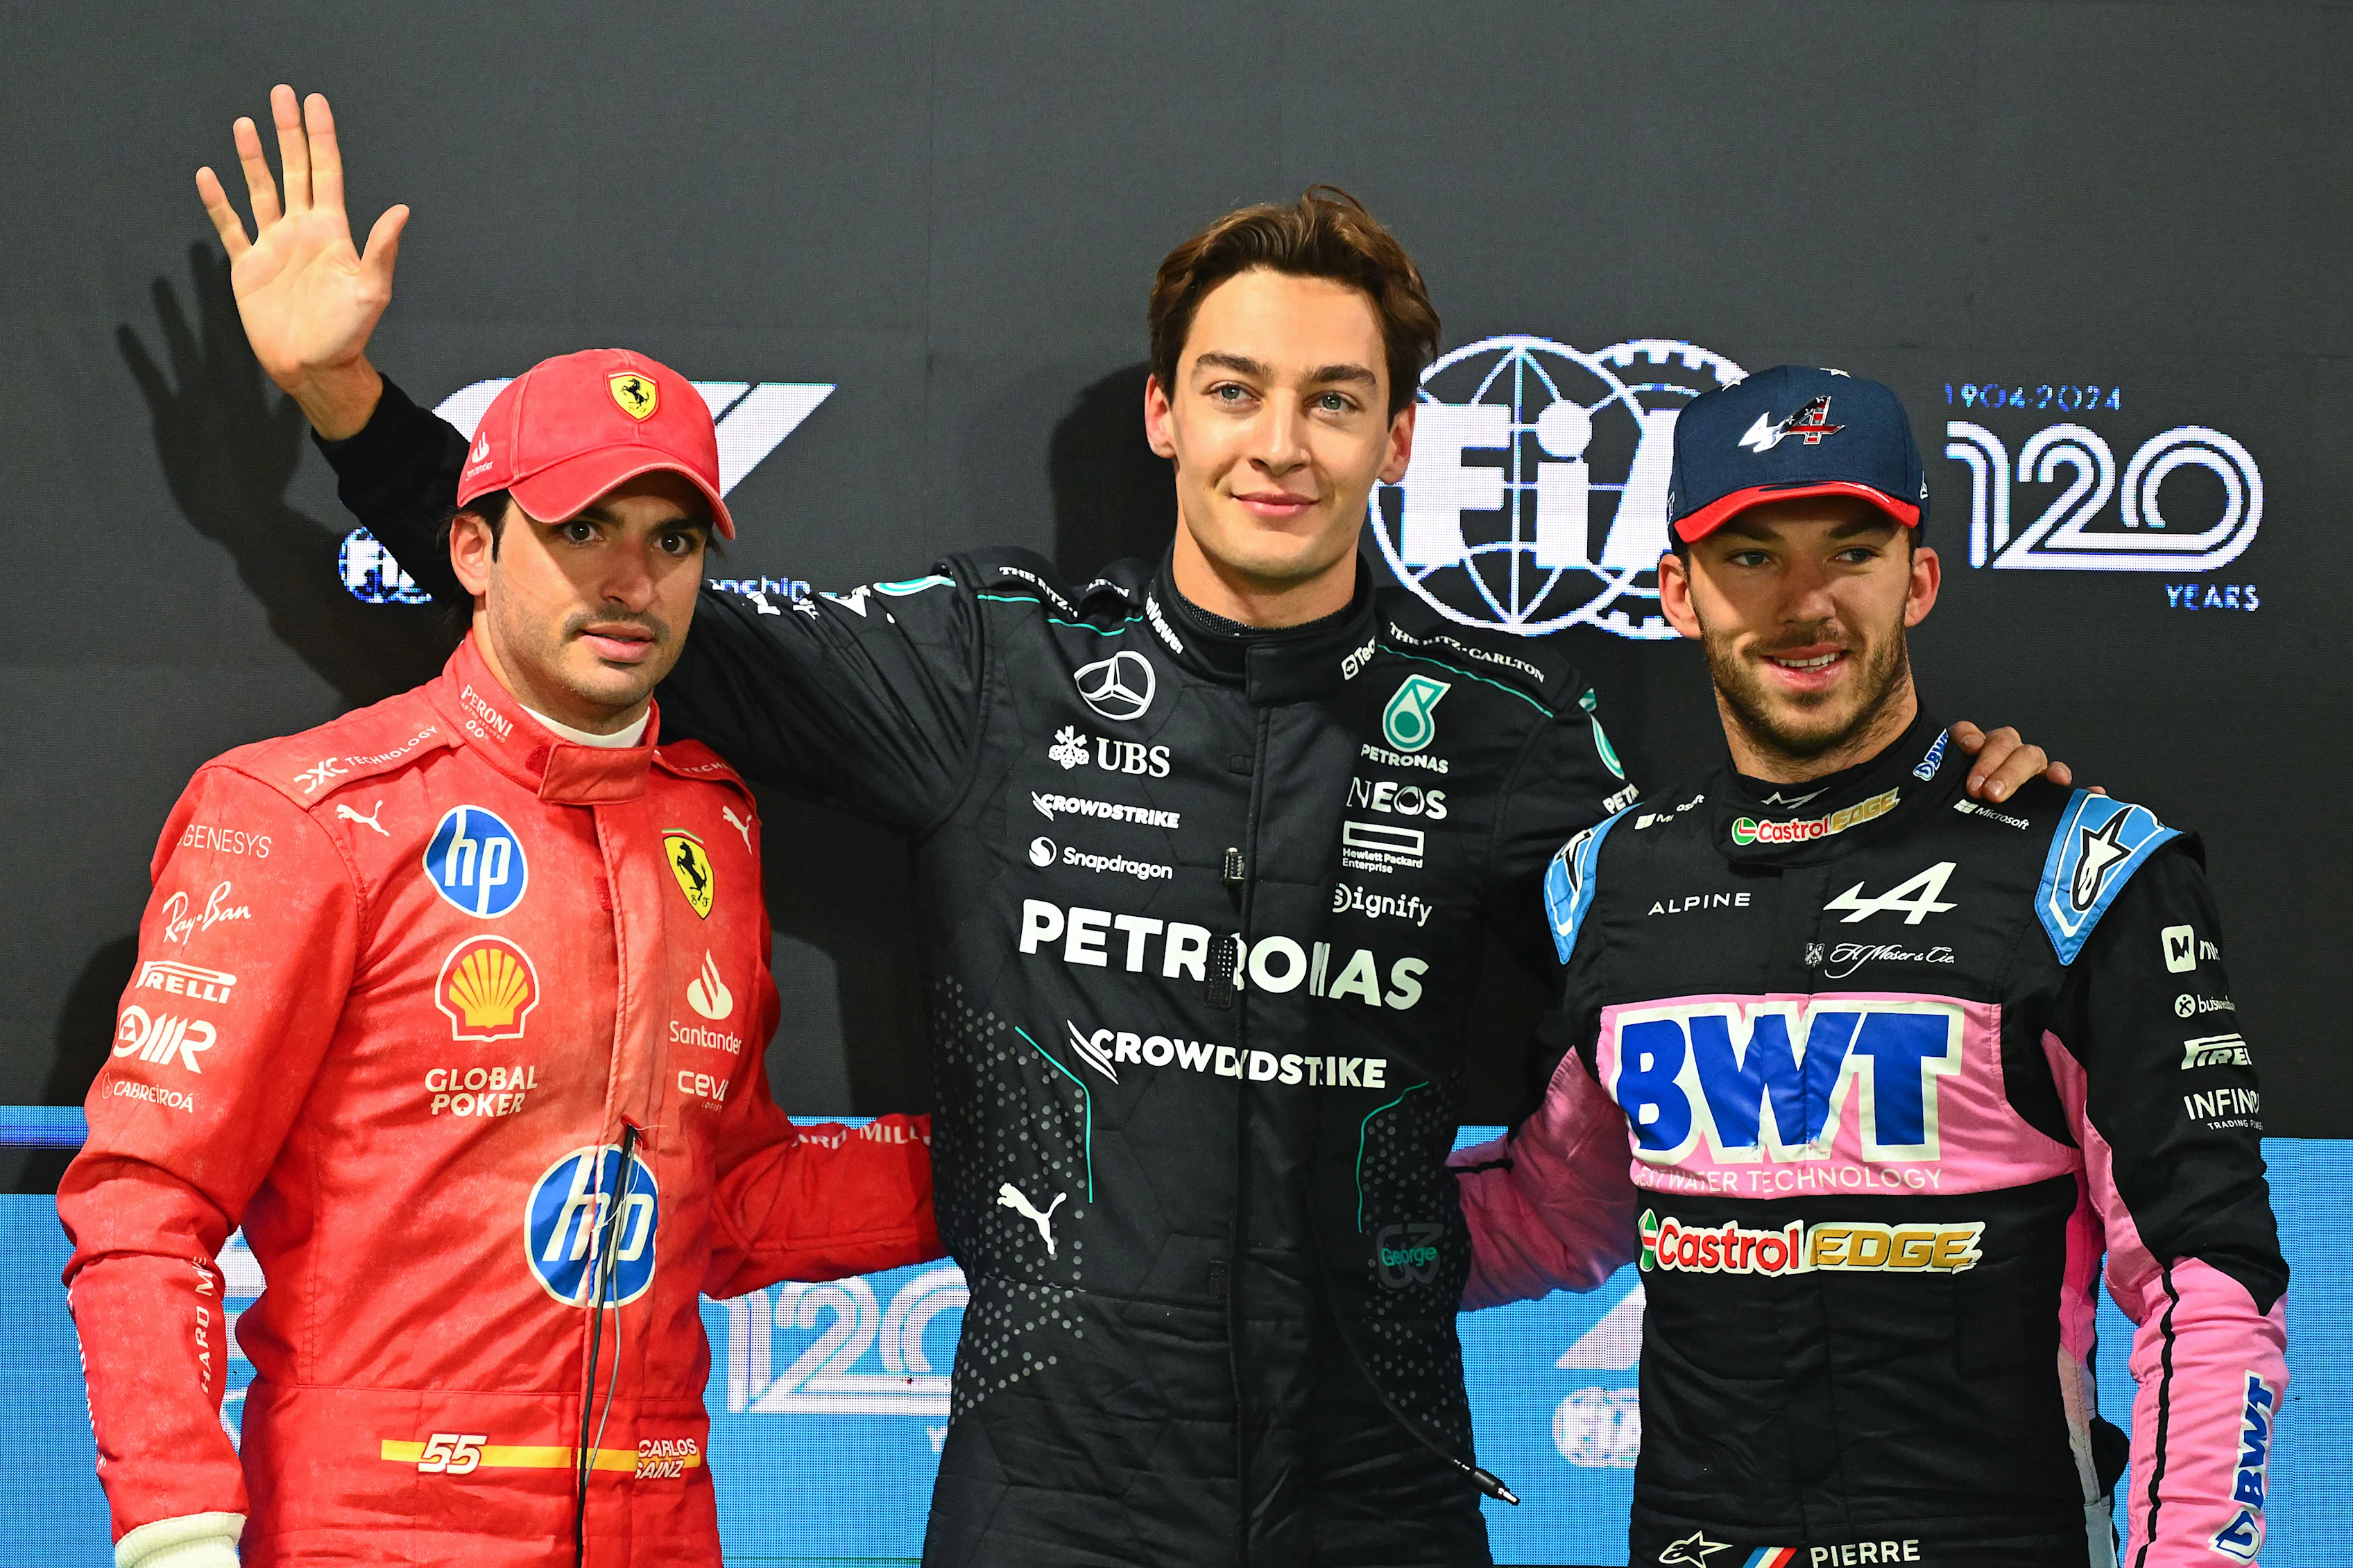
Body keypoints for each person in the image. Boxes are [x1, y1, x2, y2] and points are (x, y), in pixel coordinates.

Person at [198, 87, 2067, 1567]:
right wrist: (350, 403)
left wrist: (1953, 811)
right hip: (1056, 1497)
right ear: (1166, 413)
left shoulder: (1504, 733)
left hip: (1384, 1491)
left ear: (1399, 441)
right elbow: (625, 605)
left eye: (1334, 401)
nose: (1282, 442)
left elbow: (1734, 929)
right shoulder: (995, 668)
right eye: (1237, 391)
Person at [59, 345, 943, 1568]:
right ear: (473, 549)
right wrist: (176, 1531)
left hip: (660, 1530)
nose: (631, 580)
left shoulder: (713, 825)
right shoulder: (310, 812)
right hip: (372, 1534)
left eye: (674, 540)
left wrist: (1030, 1160)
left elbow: (726, 1202)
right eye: (582, 529)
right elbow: (147, 1202)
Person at [1452, 366, 2289, 1568]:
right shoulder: (1608, 882)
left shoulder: (2082, 873)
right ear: (1679, 593)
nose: (1807, 604)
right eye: (1752, 557)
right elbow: (1554, 1211)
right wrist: (1279, 1231)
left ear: (1919, 579)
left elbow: (2205, 1280)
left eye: (1851, 552)